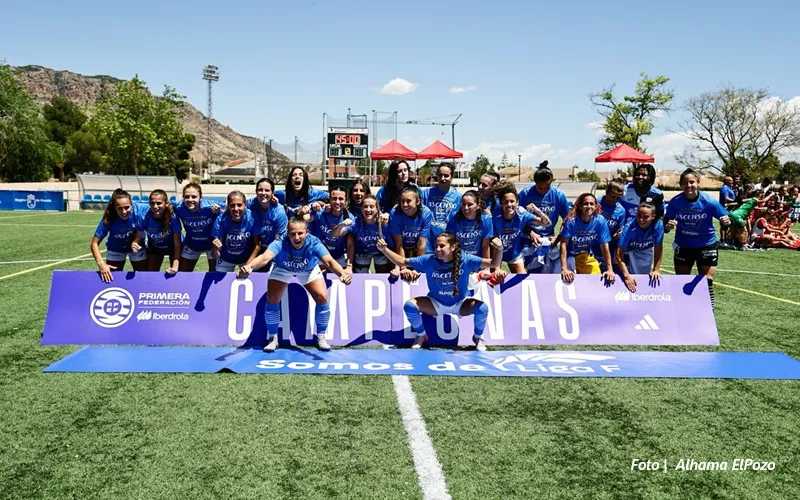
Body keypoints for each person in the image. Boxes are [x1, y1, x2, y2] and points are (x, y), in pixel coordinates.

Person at [237, 217, 353, 352]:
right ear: (287, 232)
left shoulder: (314, 243)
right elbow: (265, 257)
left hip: (308, 269)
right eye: (292, 233)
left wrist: (342, 274)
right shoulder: (280, 241)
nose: (296, 237)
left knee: (322, 297)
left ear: (307, 232)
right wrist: (249, 267)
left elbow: (329, 261)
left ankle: (321, 336)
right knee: (272, 300)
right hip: (282, 268)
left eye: (300, 233)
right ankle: (273, 338)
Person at [377, 231, 504, 350]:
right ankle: (421, 335)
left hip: (460, 303)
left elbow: (493, 263)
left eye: (442, 246)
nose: (437, 249)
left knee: (482, 308)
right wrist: (384, 250)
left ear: (453, 247)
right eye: (436, 246)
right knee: (410, 306)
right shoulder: (428, 260)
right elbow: (402, 261)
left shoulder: (466, 259)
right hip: (435, 303)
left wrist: (499, 249)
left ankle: (477, 337)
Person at [664, 168, 731, 311]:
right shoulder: (675, 202)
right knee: (681, 280)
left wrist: (726, 221)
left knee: (706, 280)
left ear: (698, 183)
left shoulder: (708, 201)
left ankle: (708, 311)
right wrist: (668, 226)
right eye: (685, 183)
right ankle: (681, 310)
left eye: (692, 182)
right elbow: (665, 225)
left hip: (706, 245)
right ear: (681, 185)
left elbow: (726, 218)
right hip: (684, 245)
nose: (689, 186)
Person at [90, 188, 148, 283]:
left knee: (142, 277)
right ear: (114, 208)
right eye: (120, 208)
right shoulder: (109, 218)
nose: (124, 212)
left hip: (137, 247)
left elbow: (160, 205)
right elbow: (94, 243)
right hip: (115, 248)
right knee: (112, 278)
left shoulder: (140, 209)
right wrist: (101, 264)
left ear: (131, 204)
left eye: (127, 207)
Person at [558, 193, 615, 284]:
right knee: (567, 281)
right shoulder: (572, 221)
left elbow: (604, 246)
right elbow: (563, 244)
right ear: (580, 206)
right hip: (568, 257)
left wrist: (609, 269)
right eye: (586, 204)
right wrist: (564, 268)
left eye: (592, 204)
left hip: (584, 256)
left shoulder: (600, 221)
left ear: (596, 206)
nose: (589, 206)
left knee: (595, 279)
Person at [333, 194, 393, 273]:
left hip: (381, 252)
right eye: (365, 207)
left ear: (377, 208)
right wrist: (341, 225)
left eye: (371, 207)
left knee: (382, 266)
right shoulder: (356, 222)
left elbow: (393, 245)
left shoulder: (384, 222)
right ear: (361, 209)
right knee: (361, 270)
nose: (368, 210)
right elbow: (334, 234)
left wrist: (396, 267)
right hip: (362, 253)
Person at [615, 202, 664, 293]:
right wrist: (626, 276)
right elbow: (618, 253)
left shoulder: (658, 225)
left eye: (645, 217)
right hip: (627, 251)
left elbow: (658, 248)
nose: (641, 219)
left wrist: (656, 270)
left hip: (645, 249)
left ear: (653, 216)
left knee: (642, 277)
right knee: (624, 276)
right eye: (639, 215)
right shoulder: (629, 227)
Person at [388, 186, 433, 281]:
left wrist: (418, 268)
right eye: (402, 201)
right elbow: (398, 243)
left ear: (418, 201)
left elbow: (421, 244)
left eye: (408, 201)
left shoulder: (426, 213)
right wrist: (403, 268)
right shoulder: (395, 213)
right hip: (399, 247)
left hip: (415, 247)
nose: (404, 204)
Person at [211, 191, 263, 272]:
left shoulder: (253, 217)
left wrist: (248, 265)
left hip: (247, 258)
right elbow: (215, 255)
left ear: (245, 205)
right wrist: (216, 249)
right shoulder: (220, 219)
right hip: (225, 258)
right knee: (219, 280)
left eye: (239, 205)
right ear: (228, 206)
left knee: (252, 275)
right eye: (232, 205)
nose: (236, 209)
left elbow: (257, 245)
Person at [132, 189, 182, 274]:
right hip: (155, 248)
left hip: (173, 248)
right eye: (152, 203)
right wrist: (134, 244)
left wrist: (175, 264)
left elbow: (177, 243)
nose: (155, 206)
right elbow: (137, 238)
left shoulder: (172, 216)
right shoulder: (144, 216)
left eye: (159, 203)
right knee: (150, 274)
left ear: (165, 203)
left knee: (176, 274)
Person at [493, 184, 539, 273]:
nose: (509, 204)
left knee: (521, 277)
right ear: (501, 202)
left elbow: (522, 222)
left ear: (517, 201)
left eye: (512, 201)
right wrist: (496, 268)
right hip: (495, 250)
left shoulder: (519, 211)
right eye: (506, 201)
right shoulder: (493, 213)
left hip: (513, 251)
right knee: (495, 276)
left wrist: (530, 231)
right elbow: (490, 237)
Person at [175, 182, 220, 272]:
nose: (190, 199)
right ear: (183, 197)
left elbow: (231, 210)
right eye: (187, 197)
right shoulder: (178, 207)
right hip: (191, 245)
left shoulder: (210, 206)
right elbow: (164, 206)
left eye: (194, 197)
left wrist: (219, 211)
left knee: (213, 273)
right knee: (183, 274)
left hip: (211, 245)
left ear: (201, 197)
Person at [310, 185, 354, 273]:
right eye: (334, 198)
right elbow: (304, 218)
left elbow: (350, 244)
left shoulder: (349, 218)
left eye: (341, 199)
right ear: (329, 200)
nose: (337, 202)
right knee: (323, 274)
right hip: (320, 255)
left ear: (346, 201)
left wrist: (349, 267)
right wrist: (312, 206)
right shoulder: (321, 213)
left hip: (339, 257)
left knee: (342, 276)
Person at [248, 177, 288, 272]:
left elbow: (278, 241)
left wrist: (265, 259)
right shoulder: (249, 204)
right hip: (253, 249)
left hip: (272, 251)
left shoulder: (279, 211)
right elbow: (230, 206)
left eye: (267, 190)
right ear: (256, 191)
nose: (263, 193)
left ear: (272, 193)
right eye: (260, 190)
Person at [422, 163, 462, 252]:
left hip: (448, 244)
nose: (443, 178)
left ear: (452, 176)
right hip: (429, 242)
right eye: (440, 175)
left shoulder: (458, 197)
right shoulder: (426, 193)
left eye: (446, 175)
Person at [446, 190, 494, 258]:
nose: (466, 208)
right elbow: (450, 243)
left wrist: (486, 267)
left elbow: (485, 246)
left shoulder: (485, 219)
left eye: (470, 204)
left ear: (478, 206)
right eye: (463, 204)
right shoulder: (454, 218)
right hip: (459, 259)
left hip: (477, 260)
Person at [595, 181, 627, 273]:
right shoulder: (595, 203)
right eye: (613, 196)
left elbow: (618, 232)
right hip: (590, 247)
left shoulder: (621, 211)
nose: (615, 200)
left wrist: (617, 235)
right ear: (606, 192)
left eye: (618, 198)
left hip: (607, 249)